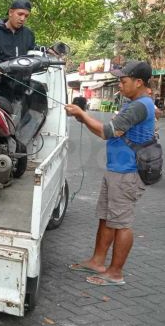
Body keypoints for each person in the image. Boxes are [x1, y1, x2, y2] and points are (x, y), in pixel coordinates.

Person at [65, 61, 154, 286]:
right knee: (107, 218)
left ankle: (116, 273)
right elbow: (111, 131)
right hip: (116, 170)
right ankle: (97, 261)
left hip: (128, 173)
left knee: (121, 223)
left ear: (139, 82)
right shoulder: (132, 103)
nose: (120, 86)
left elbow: (107, 131)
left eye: (123, 82)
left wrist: (82, 115)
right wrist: (83, 118)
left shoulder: (139, 106)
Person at [0, 0, 36, 67]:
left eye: (26, 16)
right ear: (10, 12)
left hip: (22, 77)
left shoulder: (28, 34)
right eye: (20, 14)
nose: (22, 19)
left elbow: (33, 56)